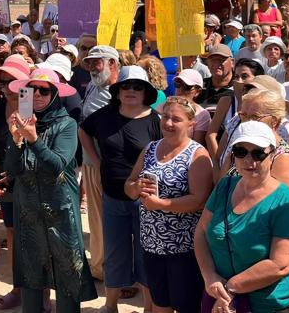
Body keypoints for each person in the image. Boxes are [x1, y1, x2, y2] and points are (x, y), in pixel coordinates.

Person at [6, 68, 98, 313]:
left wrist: (34, 139)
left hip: (61, 211)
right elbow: (12, 170)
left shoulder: (66, 124)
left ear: (55, 94)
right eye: (31, 89)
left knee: (68, 274)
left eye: (44, 90)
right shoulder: (21, 121)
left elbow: (57, 164)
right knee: (31, 273)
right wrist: (16, 141)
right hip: (28, 211)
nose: (36, 95)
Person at [194, 121, 289, 313]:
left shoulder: (284, 202)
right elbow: (201, 232)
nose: (249, 160)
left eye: (258, 153)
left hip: (272, 304)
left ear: (272, 155)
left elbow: (281, 264)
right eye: (240, 152)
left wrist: (229, 289)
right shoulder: (224, 186)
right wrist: (210, 277)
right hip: (222, 297)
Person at [80, 66, 160, 313]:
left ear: (146, 91)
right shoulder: (104, 115)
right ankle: (110, 305)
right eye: (126, 86)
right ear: (117, 91)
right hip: (112, 197)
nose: (131, 91)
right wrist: (95, 159)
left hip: (145, 199)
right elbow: (83, 130)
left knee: (146, 253)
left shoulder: (156, 120)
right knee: (114, 253)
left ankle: (149, 307)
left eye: (137, 87)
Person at [125, 96, 213, 313]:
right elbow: (129, 184)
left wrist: (162, 204)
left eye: (176, 119)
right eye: (165, 117)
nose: (168, 123)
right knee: (160, 304)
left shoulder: (197, 154)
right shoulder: (150, 148)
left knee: (186, 305)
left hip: (183, 248)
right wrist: (135, 189)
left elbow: (200, 200)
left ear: (191, 124)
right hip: (151, 243)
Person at [0, 54, 33, 309]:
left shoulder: (32, 103)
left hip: (33, 183)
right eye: (2, 82)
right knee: (13, 235)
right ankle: (18, 289)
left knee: (35, 237)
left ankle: (40, 295)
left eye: (12, 80)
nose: (7, 86)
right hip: (7, 184)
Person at [78, 44, 120, 281]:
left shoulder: (119, 92)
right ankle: (101, 269)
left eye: (97, 62)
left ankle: (113, 272)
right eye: (90, 63)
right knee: (97, 220)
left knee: (111, 222)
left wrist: (103, 165)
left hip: (108, 167)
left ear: (112, 64)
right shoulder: (94, 86)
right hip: (92, 164)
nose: (93, 67)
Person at [219, 86, 289, 192]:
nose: (247, 122)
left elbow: (273, 202)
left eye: (254, 117)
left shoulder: (282, 157)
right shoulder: (239, 145)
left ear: (274, 122)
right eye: (243, 115)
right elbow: (220, 187)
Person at [172, 69, 211, 145]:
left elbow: (196, 146)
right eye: (178, 84)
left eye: (187, 86)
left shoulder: (202, 114)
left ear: (197, 91)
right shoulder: (164, 107)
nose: (180, 89)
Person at [198, 44, 235, 112]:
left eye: (221, 60)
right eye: (212, 60)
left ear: (232, 62)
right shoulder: (199, 87)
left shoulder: (239, 88)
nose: (216, 64)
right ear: (207, 63)